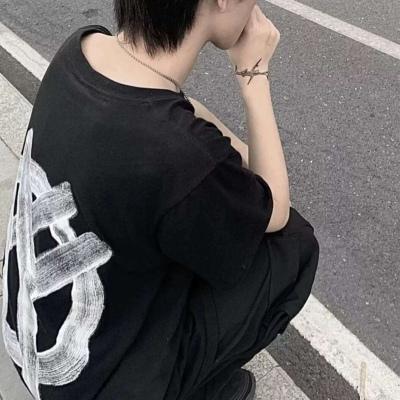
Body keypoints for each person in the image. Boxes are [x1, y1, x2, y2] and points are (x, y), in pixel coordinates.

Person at [1, 0, 320, 399]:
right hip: (96, 386)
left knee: (196, 218)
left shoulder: (81, 49)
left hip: (30, 346)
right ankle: (194, 389)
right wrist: (253, 75)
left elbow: (187, 115)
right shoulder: (177, 151)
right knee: (293, 247)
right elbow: (275, 209)